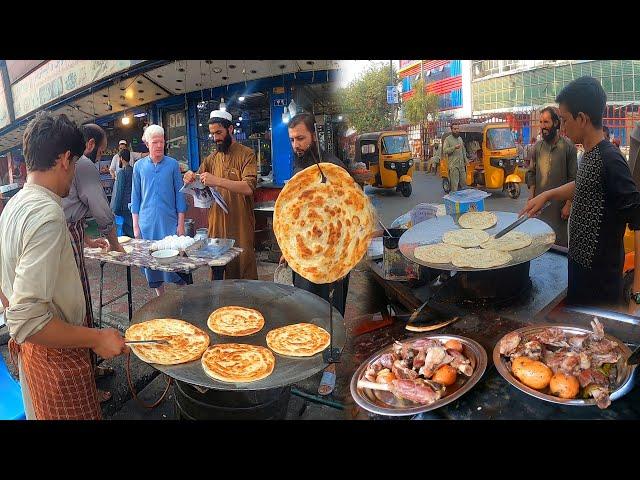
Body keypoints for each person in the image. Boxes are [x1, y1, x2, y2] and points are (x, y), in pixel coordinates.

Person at [0, 112, 127, 420]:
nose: (74, 174)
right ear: (64, 159)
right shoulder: (47, 214)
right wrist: (97, 338)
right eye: (76, 163)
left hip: (36, 356)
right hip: (56, 360)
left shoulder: (15, 204)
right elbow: (27, 322)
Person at [521, 76, 640, 313]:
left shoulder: (611, 160)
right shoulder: (589, 154)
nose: (562, 127)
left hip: (601, 289)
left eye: (564, 120)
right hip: (580, 276)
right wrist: (547, 195)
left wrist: (637, 294)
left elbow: (639, 221)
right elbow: (584, 184)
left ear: (582, 119)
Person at [62, 123, 125, 402]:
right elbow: (99, 207)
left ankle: (90, 367)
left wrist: (87, 241)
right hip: (63, 237)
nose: (101, 156)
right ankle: (84, 385)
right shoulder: (85, 164)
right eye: (101, 150)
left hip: (72, 233)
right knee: (74, 306)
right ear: (89, 145)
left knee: (81, 301)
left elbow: (73, 207)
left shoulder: (78, 165)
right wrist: (115, 244)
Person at [284, 112, 350, 316]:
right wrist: (287, 249)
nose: (296, 144)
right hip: (304, 254)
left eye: (301, 138)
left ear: (314, 135)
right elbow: (296, 215)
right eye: (292, 139)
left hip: (332, 256)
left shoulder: (334, 168)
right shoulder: (299, 168)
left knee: (329, 313)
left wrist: (344, 261)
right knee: (305, 308)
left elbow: (349, 219)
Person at [183, 110, 258, 280]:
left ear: (230, 129)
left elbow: (248, 187)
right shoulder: (211, 159)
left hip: (239, 223)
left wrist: (216, 180)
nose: (215, 138)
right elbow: (198, 179)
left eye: (219, 133)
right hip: (216, 223)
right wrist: (190, 176)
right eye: (212, 134)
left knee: (242, 268)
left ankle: (243, 305)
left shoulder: (247, 154)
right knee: (217, 270)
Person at [131, 125, 188, 296]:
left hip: (169, 223)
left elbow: (180, 195)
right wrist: (135, 225)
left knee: (175, 262)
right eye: (155, 142)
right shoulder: (139, 167)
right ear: (147, 144)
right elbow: (135, 197)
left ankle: (183, 295)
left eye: (161, 142)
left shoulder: (172, 165)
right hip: (146, 223)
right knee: (152, 262)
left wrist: (181, 223)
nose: (159, 146)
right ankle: (160, 297)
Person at [525, 106, 578, 248]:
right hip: (540, 207)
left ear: (555, 123)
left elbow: (574, 179)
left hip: (559, 209)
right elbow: (531, 173)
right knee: (538, 241)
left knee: (558, 244)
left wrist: (568, 205)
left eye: (546, 122)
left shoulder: (568, 147)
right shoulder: (537, 148)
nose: (543, 126)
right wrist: (531, 198)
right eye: (541, 122)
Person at [111, 149, 134, 238]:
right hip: (133, 205)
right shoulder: (134, 171)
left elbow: (120, 192)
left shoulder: (121, 173)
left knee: (126, 233)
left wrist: (115, 209)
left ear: (121, 158)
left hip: (124, 207)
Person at [442, 122, 468, 192]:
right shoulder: (448, 139)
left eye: (457, 128)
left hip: (461, 165)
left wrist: (466, 160)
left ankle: (462, 200)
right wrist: (454, 147)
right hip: (453, 166)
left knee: (464, 183)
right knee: (454, 185)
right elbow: (445, 150)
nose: (456, 130)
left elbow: (463, 150)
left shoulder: (460, 138)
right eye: (455, 129)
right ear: (452, 130)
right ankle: (454, 201)